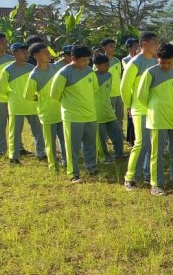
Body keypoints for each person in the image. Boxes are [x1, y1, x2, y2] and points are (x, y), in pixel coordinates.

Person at [135, 42, 173, 196]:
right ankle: (156, 184)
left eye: (168, 62)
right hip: (157, 118)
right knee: (157, 153)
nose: (165, 66)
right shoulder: (150, 73)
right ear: (157, 59)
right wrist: (154, 107)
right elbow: (141, 96)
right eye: (161, 62)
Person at [49, 45, 99, 183]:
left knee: (90, 144)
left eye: (88, 60)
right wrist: (70, 104)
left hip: (90, 115)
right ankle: (73, 173)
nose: (86, 63)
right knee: (72, 147)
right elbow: (54, 94)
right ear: (73, 59)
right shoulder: (64, 73)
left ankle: (91, 167)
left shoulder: (90, 71)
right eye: (83, 60)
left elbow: (94, 89)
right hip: (73, 116)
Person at [0, 43, 45, 163]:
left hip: (32, 105)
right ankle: (13, 157)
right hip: (16, 107)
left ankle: (41, 153)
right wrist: (12, 94)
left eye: (26, 51)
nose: (26, 54)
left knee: (38, 131)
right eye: (22, 51)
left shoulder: (31, 68)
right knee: (15, 133)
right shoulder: (7, 70)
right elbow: (0, 89)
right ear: (14, 53)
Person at [121, 32, 159, 185]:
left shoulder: (156, 62)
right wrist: (129, 106)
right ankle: (130, 177)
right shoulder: (135, 63)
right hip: (139, 108)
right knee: (141, 143)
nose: (157, 46)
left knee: (151, 144)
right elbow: (124, 87)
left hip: (154, 108)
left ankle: (147, 173)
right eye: (154, 43)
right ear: (144, 44)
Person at [25, 42, 66, 171]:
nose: (48, 55)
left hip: (62, 110)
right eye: (45, 53)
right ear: (36, 55)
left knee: (65, 140)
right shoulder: (34, 75)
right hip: (47, 113)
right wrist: (41, 99)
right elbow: (28, 95)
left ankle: (66, 162)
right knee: (50, 142)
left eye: (48, 52)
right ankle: (53, 165)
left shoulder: (55, 68)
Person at [93, 54, 124, 164]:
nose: (108, 67)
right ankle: (104, 156)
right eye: (105, 65)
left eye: (108, 64)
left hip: (108, 109)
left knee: (117, 132)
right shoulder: (92, 76)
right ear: (97, 65)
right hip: (97, 111)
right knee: (100, 137)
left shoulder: (109, 75)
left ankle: (118, 153)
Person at [101, 39, 124, 138]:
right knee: (107, 116)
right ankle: (106, 135)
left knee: (119, 115)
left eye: (114, 46)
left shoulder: (117, 61)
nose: (114, 48)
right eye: (111, 46)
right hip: (107, 94)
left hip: (119, 93)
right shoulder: (99, 61)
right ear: (104, 48)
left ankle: (119, 134)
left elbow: (119, 76)